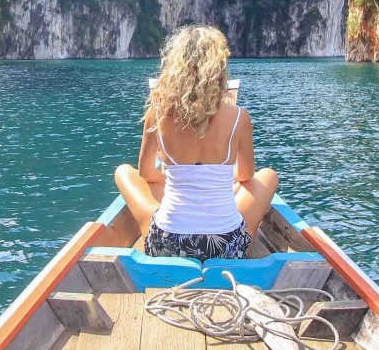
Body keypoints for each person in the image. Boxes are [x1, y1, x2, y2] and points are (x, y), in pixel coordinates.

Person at [113, 24, 279, 261]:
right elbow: (245, 175)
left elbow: (146, 173)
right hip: (225, 248)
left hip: (168, 245)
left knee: (123, 172)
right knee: (268, 176)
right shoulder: (239, 118)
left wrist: (172, 178)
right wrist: (219, 181)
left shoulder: (157, 114)